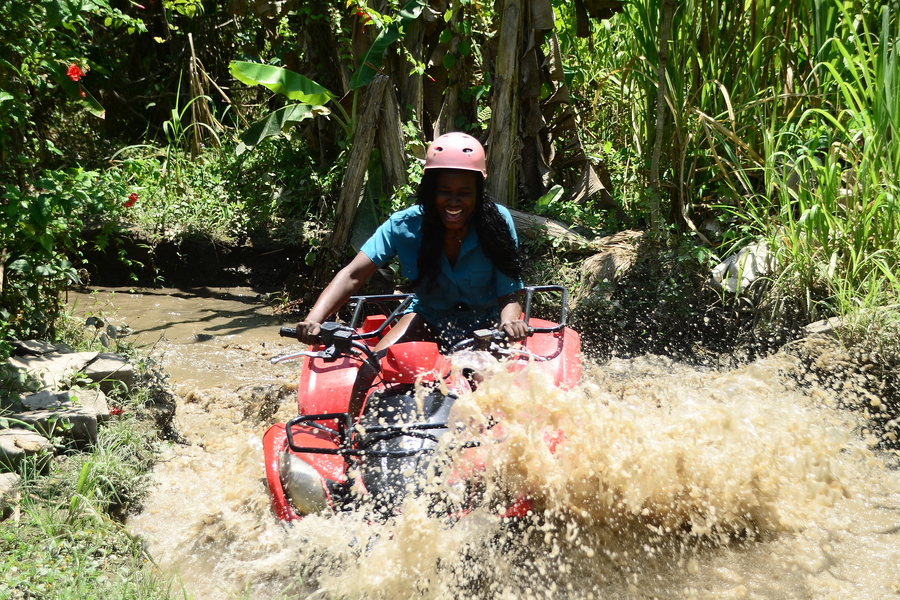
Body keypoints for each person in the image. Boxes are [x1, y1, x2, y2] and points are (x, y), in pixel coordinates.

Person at [295, 132, 528, 417]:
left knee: (484, 382)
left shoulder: (498, 223)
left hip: (485, 324)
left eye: (464, 192)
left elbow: (509, 293)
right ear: (431, 189)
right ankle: (352, 437)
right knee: (374, 366)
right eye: (444, 191)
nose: (453, 201)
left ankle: (488, 449)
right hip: (428, 316)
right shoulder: (403, 225)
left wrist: (508, 325)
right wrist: (314, 320)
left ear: (478, 191)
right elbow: (353, 275)